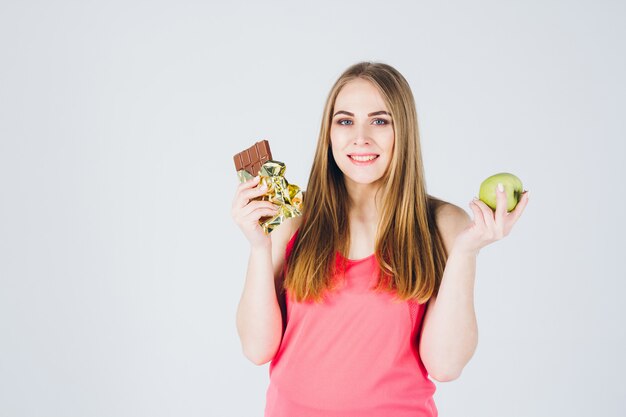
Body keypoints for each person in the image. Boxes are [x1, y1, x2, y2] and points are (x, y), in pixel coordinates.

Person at [231, 61, 529, 417]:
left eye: (380, 120)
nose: (361, 137)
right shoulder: (294, 217)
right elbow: (256, 348)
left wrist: (466, 252)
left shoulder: (444, 225)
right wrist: (258, 246)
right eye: (345, 121)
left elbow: (446, 365)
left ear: (403, 130)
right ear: (328, 133)